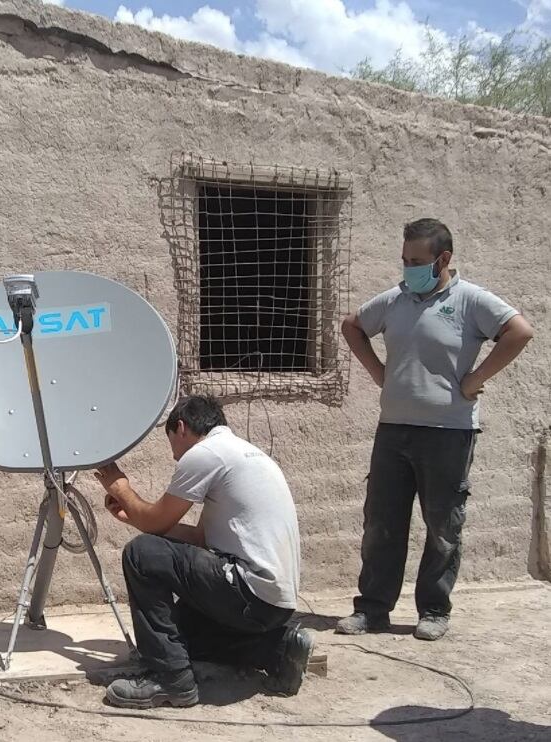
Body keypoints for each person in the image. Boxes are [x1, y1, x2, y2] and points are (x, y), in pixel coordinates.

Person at [337, 218, 534, 641]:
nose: (408, 268)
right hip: (393, 430)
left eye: (417, 261)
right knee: (382, 523)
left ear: (443, 259)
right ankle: (372, 610)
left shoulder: (470, 301)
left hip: (448, 432)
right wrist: (378, 373)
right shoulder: (396, 300)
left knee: (443, 526)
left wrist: (476, 378)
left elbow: (519, 331)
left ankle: (433, 610)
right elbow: (352, 325)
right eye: (405, 259)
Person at [94, 395, 311, 709]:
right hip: (273, 603)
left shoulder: (205, 454)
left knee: (140, 555)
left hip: (247, 590)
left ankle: (169, 681)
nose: (175, 457)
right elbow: (199, 538)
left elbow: (156, 521)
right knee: (179, 637)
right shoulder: (244, 454)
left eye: (172, 447)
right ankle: (278, 648)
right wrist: (136, 518)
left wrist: (120, 488)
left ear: (181, 427)